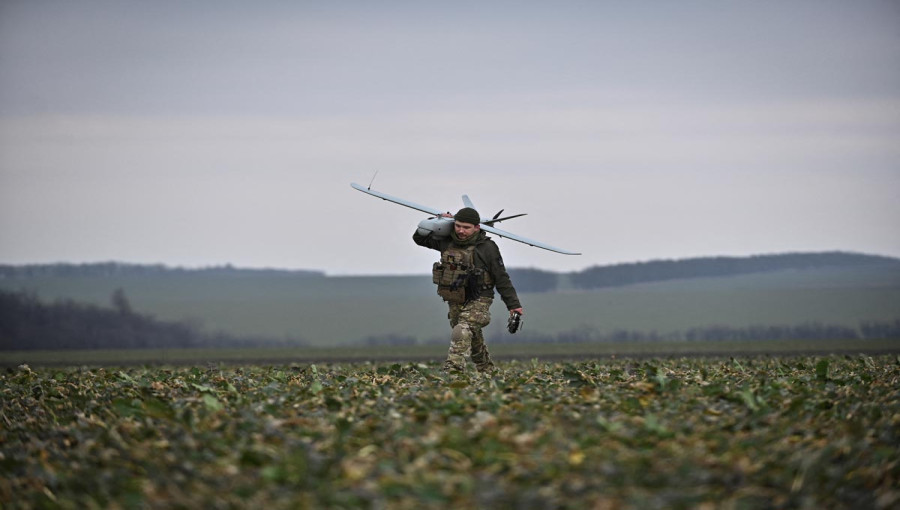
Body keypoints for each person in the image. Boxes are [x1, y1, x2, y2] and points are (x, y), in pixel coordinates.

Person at [413, 207, 524, 373]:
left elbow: (501, 277)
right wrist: (437, 221)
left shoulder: (487, 248)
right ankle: (487, 369)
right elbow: (419, 238)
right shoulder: (447, 241)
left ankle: (453, 369)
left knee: (462, 330)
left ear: (477, 228)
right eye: (458, 226)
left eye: (466, 227)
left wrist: (513, 305)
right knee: (472, 335)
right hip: (456, 296)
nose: (461, 231)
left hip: (480, 297)